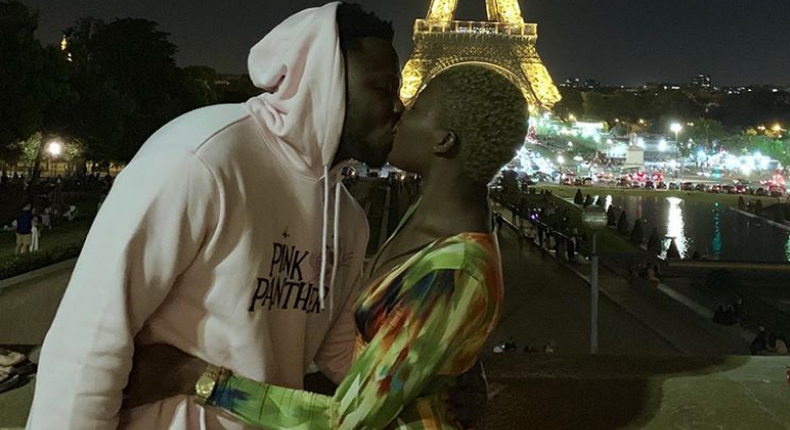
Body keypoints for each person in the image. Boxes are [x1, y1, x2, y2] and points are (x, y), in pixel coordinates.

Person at [27, 4, 406, 429]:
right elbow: (91, 336)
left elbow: (339, 352)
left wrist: (430, 376)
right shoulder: (202, 157)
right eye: (385, 88)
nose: (398, 107)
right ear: (327, 79)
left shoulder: (348, 219)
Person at [124, 65, 527, 428]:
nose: (400, 111)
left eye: (418, 107)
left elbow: (347, 419)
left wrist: (193, 376)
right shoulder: (429, 221)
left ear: (444, 141)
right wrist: (444, 364)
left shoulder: (453, 271)